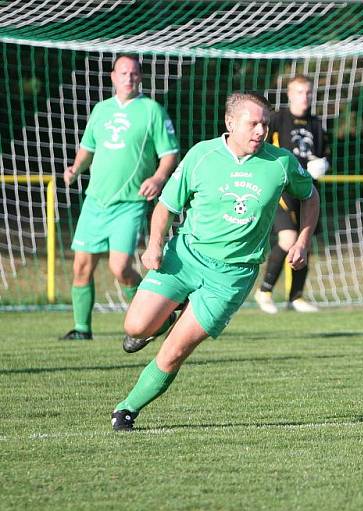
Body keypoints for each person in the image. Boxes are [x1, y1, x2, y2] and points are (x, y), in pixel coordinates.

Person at [110, 91, 320, 431]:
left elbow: (310, 196)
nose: (260, 131)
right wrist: (153, 246)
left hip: (232, 277)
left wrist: (303, 240)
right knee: (135, 327)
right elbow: (165, 207)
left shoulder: (280, 163)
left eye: (264, 125)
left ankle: (127, 409)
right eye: (252, 124)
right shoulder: (202, 155)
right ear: (230, 123)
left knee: (176, 351)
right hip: (185, 257)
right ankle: (163, 320)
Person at [61, 54, 179, 340]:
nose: (129, 77)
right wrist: (76, 167)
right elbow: (88, 146)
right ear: (113, 76)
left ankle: (155, 317)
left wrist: (158, 178)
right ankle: (82, 329)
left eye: (134, 73)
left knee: (120, 267)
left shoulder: (152, 110)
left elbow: (170, 154)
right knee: (81, 266)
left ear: (140, 77)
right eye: (123, 73)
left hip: (130, 203)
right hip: (95, 200)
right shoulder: (101, 110)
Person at [254, 74, 329, 314]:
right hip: (281, 190)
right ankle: (264, 291)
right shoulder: (277, 119)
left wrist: (323, 165)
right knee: (288, 240)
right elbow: (262, 150)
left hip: (306, 191)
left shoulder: (316, 124)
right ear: (289, 94)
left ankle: (295, 297)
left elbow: (325, 154)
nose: (304, 97)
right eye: (299, 92)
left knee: (304, 243)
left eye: (308, 93)